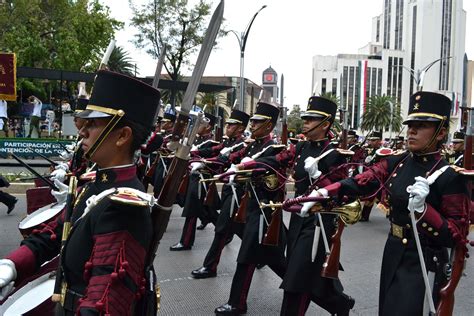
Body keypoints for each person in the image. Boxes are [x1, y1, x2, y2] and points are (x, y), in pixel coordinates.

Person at [0, 70, 161, 315]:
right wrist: (12, 264)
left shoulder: (122, 207)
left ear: (122, 137)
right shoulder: (96, 184)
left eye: (92, 124)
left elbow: (104, 301)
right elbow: (55, 233)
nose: (82, 132)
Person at [296, 91, 470, 315]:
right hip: (393, 250)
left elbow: (456, 235)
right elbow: (362, 181)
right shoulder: (398, 162)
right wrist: (324, 192)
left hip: (425, 260)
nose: (412, 130)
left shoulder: (450, 176)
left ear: (441, 132)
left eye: (422, 125)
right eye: (410, 124)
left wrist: (424, 211)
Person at [274, 96, 355, 315]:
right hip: (299, 217)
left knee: (297, 280)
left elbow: (341, 194)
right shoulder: (300, 147)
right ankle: (339, 303)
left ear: (325, 124)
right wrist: (246, 163)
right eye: (306, 119)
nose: (305, 124)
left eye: (311, 120)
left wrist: (319, 175)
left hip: (320, 221)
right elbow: (279, 159)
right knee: (305, 273)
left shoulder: (336, 154)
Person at [214, 101, 288, 315]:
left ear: (269, 125)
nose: (252, 125)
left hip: (265, 210)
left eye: (257, 122)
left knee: (246, 256)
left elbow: (273, 178)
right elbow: (227, 159)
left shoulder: (274, 149)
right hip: (252, 207)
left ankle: (237, 303)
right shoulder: (251, 146)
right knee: (276, 261)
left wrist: (245, 170)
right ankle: (311, 291)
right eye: (252, 121)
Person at [190, 109, 250, 278]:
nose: (227, 127)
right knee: (243, 230)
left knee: (221, 229)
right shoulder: (228, 143)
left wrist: (203, 162)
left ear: (240, 128)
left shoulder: (242, 145)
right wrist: (194, 153)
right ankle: (260, 254)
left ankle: (210, 266)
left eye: (231, 125)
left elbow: (226, 160)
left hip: (239, 193)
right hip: (229, 191)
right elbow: (213, 150)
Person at [169, 112, 217, 251]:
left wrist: (194, 154)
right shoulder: (196, 140)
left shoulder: (211, 142)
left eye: (202, 124)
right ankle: (225, 228)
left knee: (192, 209)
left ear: (209, 127)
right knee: (208, 209)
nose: (199, 126)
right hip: (192, 177)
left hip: (202, 179)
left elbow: (209, 154)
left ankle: (186, 241)